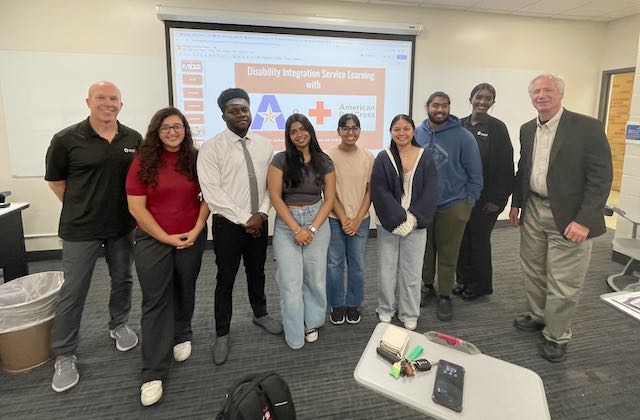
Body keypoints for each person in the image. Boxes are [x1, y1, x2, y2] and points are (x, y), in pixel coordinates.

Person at [45, 81, 141, 393]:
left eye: (114, 98)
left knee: (123, 279)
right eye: (101, 98)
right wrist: (82, 207)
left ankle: (119, 324)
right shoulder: (65, 139)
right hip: (80, 229)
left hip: (122, 226)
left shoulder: (133, 139)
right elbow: (57, 182)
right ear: (88, 102)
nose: (108, 103)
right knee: (74, 290)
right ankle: (64, 353)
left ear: (121, 105)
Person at [509, 74, 612, 362]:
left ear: (560, 94)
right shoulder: (528, 129)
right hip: (533, 209)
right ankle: (540, 315)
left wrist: (586, 220)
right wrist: (516, 203)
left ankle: (557, 334)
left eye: (547, 90)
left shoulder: (586, 127)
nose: (541, 95)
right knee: (533, 270)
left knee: (564, 279)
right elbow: (524, 168)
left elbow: (601, 178)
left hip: (569, 216)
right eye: (536, 91)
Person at [126, 107, 209, 406]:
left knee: (185, 287)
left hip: (191, 237)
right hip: (153, 240)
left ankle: (182, 332)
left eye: (177, 126)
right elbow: (137, 208)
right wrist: (166, 237)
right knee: (155, 300)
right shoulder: (143, 161)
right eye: (165, 128)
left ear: (185, 129)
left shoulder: (196, 159)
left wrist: (198, 229)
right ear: (156, 131)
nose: (172, 132)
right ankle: (153, 371)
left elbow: (208, 197)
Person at [197, 88, 282, 366]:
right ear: (223, 115)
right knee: (226, 278)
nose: (241, 115)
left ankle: (260, 314)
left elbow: (273, 185)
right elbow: (212, 192)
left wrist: (259, 214)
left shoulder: (264, 145)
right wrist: (245, 217)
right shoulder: (211, 148)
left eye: (244, 109)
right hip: (228, 226)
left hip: (259, 221)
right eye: (234, 110)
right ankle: (222, 333)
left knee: (257, 271)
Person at [267, 114, 336, 349]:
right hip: (288, 223)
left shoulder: (324, 160)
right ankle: (294, 330)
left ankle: (312, 323)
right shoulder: (280, 160)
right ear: (288, 135)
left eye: (303, 129)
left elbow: (329, 199)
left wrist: (313, 228)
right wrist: (296, 228)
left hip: (317, 220)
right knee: (290, 280)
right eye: (293, 131)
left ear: (310, 131)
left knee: (315, 278)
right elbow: (275, 196)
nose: (299, 134)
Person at [415, 92, 483, 321]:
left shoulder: (464, 136)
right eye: (435, 105)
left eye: (444, 106)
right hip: (423, 205)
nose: (440, 110)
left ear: (449, 108)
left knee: (448, 252)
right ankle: (427, 286)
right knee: (425, 250)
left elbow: (476, 175)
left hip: (453, 204)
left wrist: (467, 205)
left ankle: (445, 294)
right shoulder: (416, 133)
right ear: (427, 107)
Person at [371, 114, 437, 331]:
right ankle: (386, 308)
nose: (402, 133)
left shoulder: (425, 156)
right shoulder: (384, 157)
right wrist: (399, 219)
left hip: (416, 225)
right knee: (387, 269)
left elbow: (430, 191)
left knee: (412, 271)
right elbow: (379, 192)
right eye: (397, 129)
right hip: (389, 224)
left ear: (413, 131)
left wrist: (413, 218)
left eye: (406, 129)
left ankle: (409, 312)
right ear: (391, 132)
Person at [455, 83, 514, 300]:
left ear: (493, 103)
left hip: (486, 199)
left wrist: (498, 199)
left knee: (478, 242)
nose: (482, 101)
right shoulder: (459, 125)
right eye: (479, 97)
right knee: (462, 241)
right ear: (470, 98)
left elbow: (505, 166)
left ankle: (479, 286)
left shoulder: (497, 128)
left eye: (488, 98)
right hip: (461, 197)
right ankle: (462, 280)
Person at [326, 114, 374, 325]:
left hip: (360, 219)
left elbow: (369, 191)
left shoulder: (368, 157)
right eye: (345, 128)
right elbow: (329, 192)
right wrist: (344, 218)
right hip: (335, 218)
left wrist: (356, 219)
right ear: (338, 131)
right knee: (334, 264)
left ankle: (353, 304)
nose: (350, 132)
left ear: (360, 130)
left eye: (355, 128)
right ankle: (336, 304)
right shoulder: (328, 156)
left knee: (357, 264)